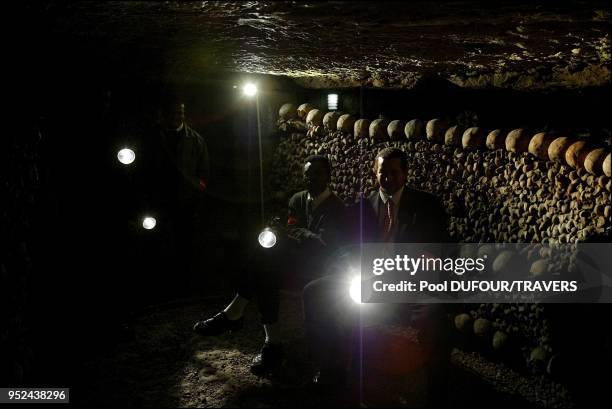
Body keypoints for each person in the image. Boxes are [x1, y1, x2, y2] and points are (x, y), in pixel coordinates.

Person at [302, 147, 452, 404]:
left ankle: (437, 390)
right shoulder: (362, 208)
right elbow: (346, 248)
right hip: (368, 281)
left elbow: (439, 248)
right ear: (375, 172)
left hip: (410, 284)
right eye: (383, 171)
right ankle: (331, 368)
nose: (388, 178)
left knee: (437, 316)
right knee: (315, 293)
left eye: (395, 172)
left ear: (405, 174)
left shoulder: (427, 205)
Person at [193, 155, 347, 375]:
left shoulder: (337, 208)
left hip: (319, 270)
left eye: (317, 174)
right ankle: (266, 340)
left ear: (328, 177)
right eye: (307, 174)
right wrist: (293, 234)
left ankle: (241, 320)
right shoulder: (297, 199)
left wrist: (297, 233)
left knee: (264, 265)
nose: (311, 178)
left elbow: (322, 245)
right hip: (295, 262)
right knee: (263, 262)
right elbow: (297, 232)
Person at [156, 101, 210, 295]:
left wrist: (197, 189)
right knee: (162, 243)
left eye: (180, 112)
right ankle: (165, 283)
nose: (177, 116)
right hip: (162, 202)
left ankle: (187, 284)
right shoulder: (156, 139)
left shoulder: (196, 140)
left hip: (188, 203)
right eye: (173, 112)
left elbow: (204, 172)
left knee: (187, 244)